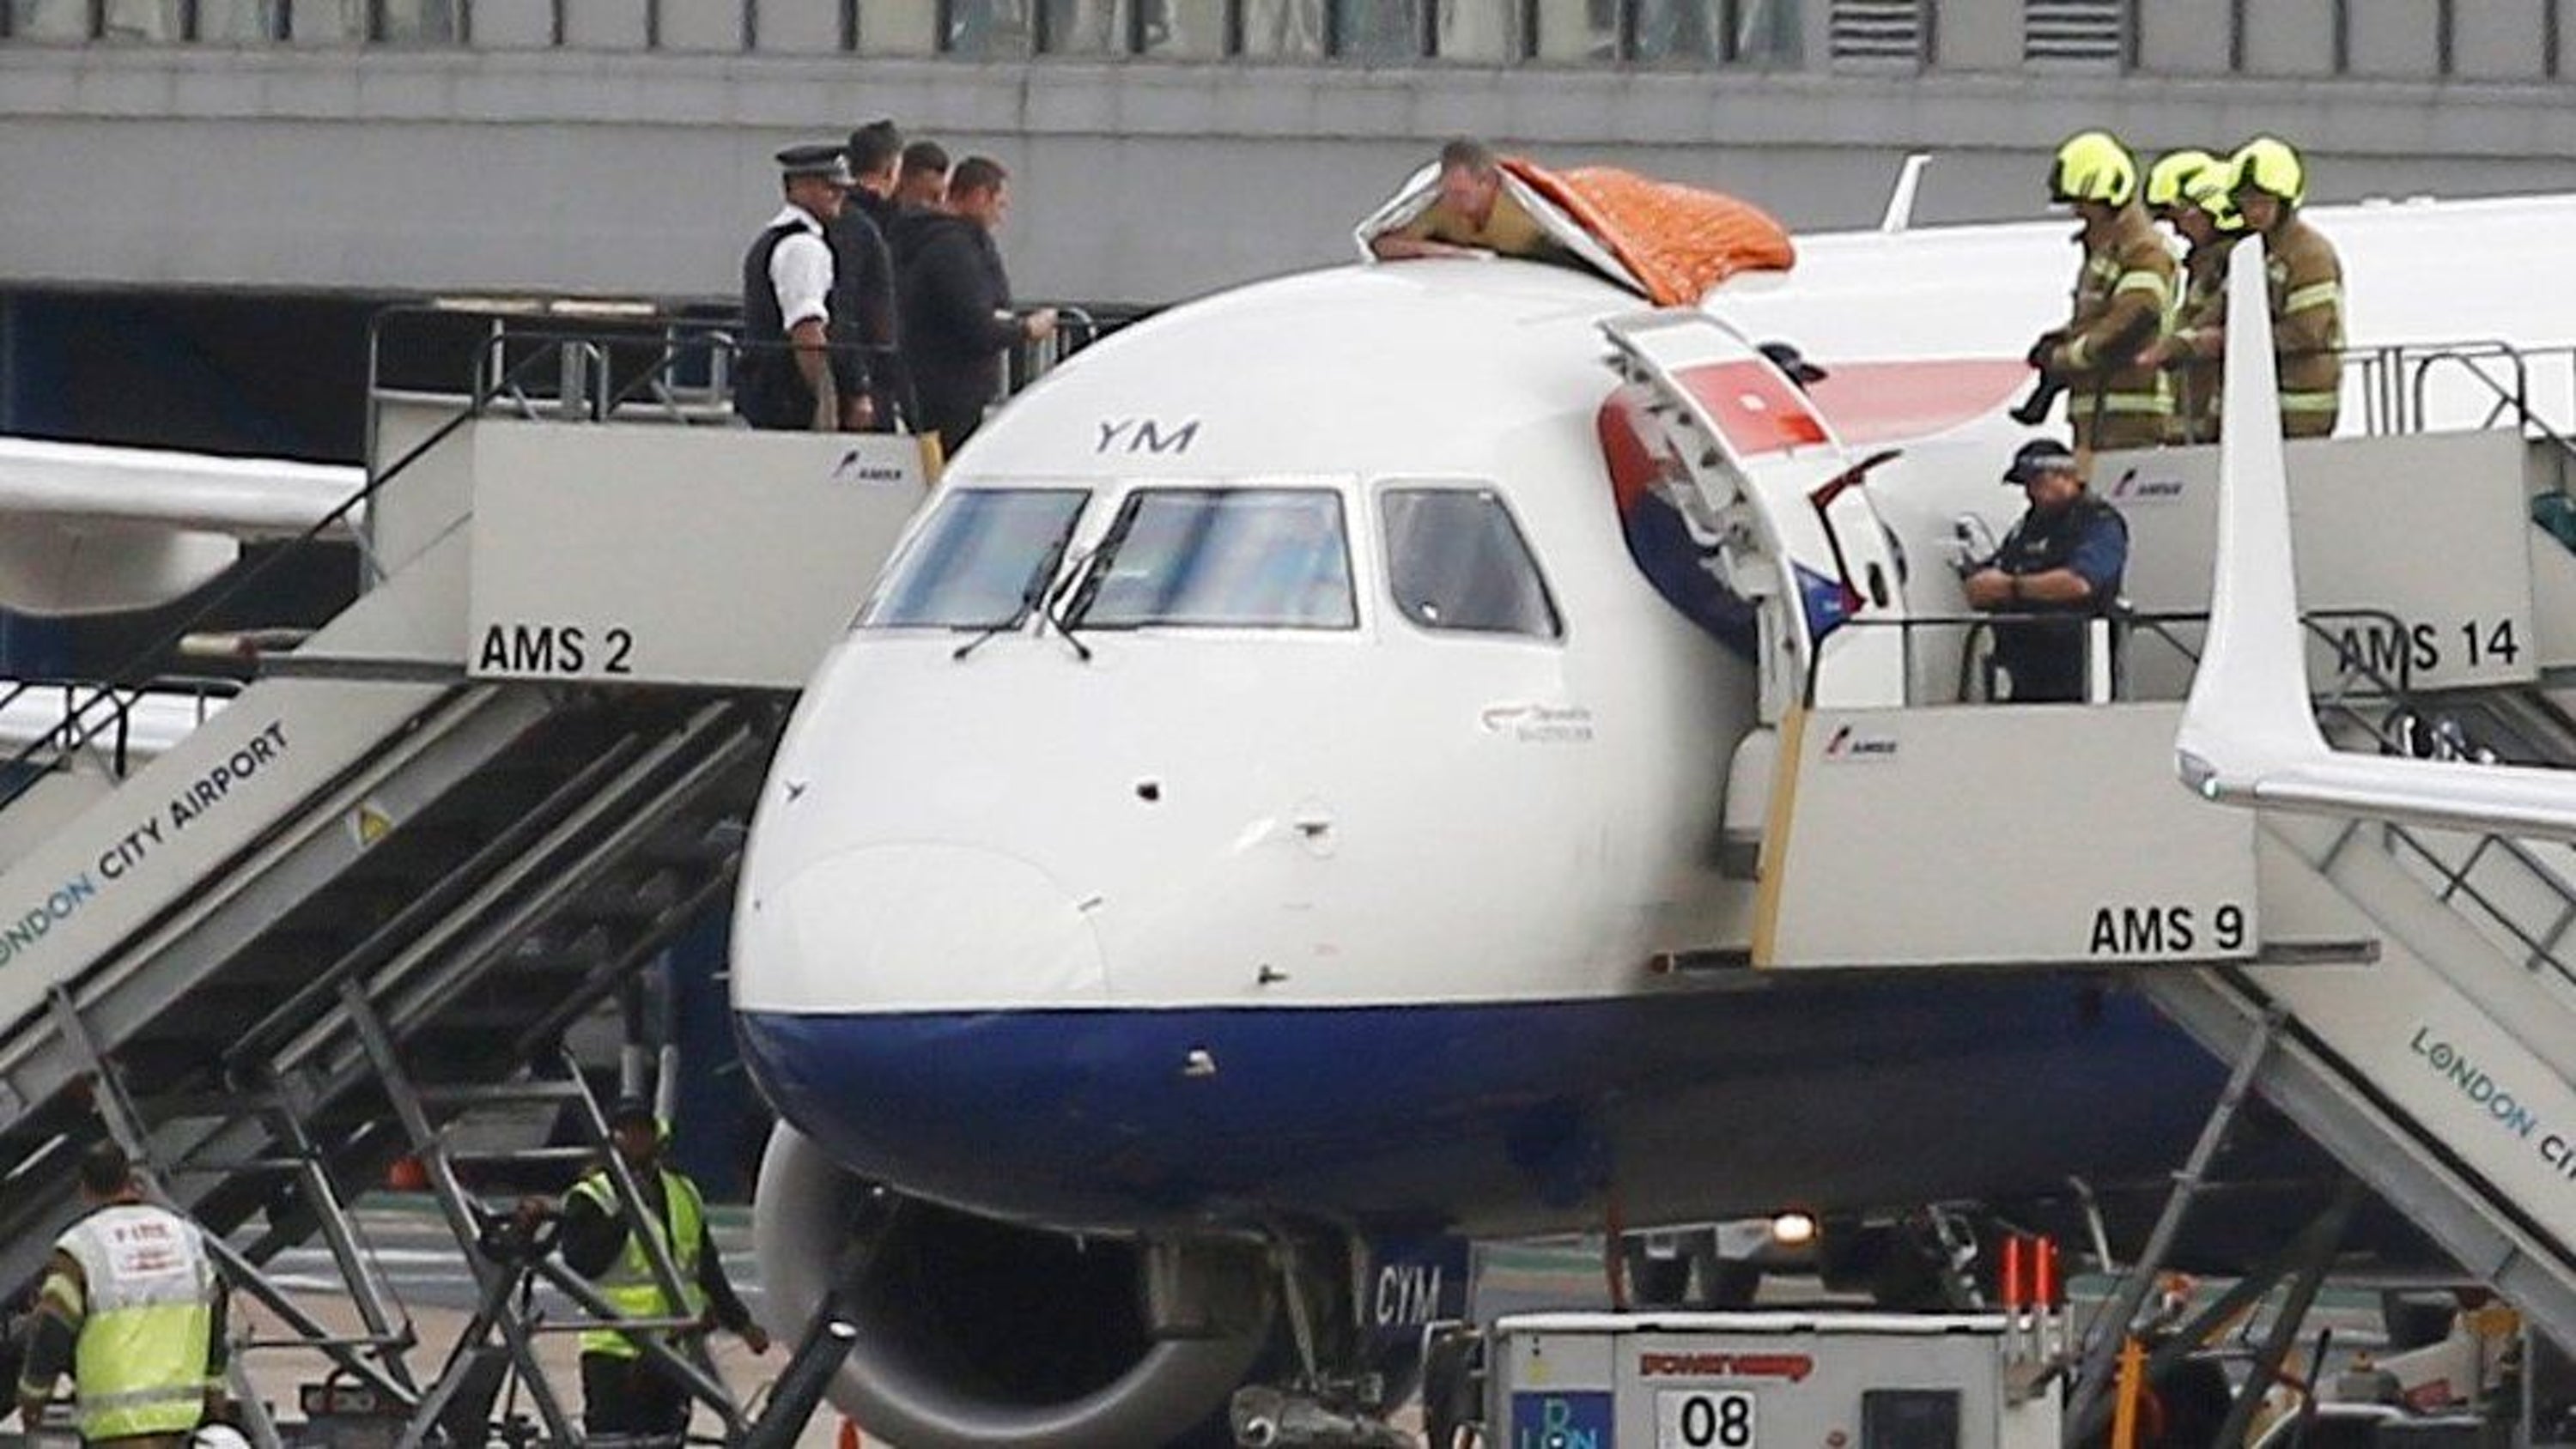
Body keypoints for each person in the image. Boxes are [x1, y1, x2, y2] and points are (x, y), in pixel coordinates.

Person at [559, 1100, 769, 1439]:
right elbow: (582, 1262)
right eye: (627, 1132)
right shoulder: (593, 1195)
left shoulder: (683, 1192)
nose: (636, 1139)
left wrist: (742, 1325)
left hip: (675, 1344)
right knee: (612, 1438)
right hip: (615, 1345)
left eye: (643, 1131)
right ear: (613, 1140)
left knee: (667, 1434)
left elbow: (706, 1269)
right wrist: (627, 1214)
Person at [15, 1142, 228, 1446]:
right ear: (132, 1180)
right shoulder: (187, 1238)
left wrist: (32, 1398)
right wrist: (214, 1398)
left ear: (85, 1189)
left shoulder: (80, 1248)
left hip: (115, 1428)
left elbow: (52, 1329)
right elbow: (216, 1317)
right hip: (180, 1426)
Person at [2026, 130, 2175, 455]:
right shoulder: (2105, 255)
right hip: (2098, 420)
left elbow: (2134, 317)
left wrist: (2066, 357)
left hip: (2129, 421)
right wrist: (2061, 338)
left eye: (2083, 203)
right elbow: (2100, 319)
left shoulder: (2143, 251)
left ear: (2110, 199)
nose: (2078, 212)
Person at [896, 155, 1057, 454]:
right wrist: (1026, 329)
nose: (1001, 215)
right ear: (980, 195)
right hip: (952, 393)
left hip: (934, 385)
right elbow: (976, 325)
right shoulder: (953, 249)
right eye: (999, 204)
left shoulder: (935, 240)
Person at [1964, 439, 2129, 704]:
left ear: (2065, 477)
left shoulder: (2099, 522)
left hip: (2077, 673)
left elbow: (2080, 582)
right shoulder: (2029, 525)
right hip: (2023, 668)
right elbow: (1999, 567)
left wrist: (2011, 587)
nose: (2029, 493)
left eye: (2035, 482)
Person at [2228, 135, 2345, 439]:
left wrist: (2235, 343)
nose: (2254, 212)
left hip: (2303, 406)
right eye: (2247, 202)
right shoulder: (2255, 252)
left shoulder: (2310, 254)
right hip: (2262, 403)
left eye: (2263, 202)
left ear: (2285, 201)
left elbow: (2308, 331)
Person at [736, 142, 851, 433]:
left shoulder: (772, 239)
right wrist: (826, 400)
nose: (839, 193)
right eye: (829, 186)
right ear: (799, 188)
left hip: (767, 392)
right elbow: (807, 333)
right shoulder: (803, 247)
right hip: (790, 399)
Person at [2137, 150, 2244, 445]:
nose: (2178, 230)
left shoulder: (2236, 265)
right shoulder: (2206, 265)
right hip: (2193, 418)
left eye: (2181, 216)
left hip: (2214, 421)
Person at [1369, 137, 1564, 262]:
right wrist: (1447, 252)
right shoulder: (1440, 207)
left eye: (1462, 194)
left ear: (1488, 183)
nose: (1455, 202)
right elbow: (1383, 245)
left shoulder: (1524, 211)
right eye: (1449, 193)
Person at [828, 125, 906, 433]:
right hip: (867, 373)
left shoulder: (853, 218)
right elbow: (848, 307)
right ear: (890, 168)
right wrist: (859, 385)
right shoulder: (861, 225)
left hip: (867, 371)